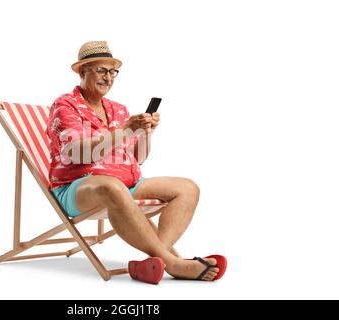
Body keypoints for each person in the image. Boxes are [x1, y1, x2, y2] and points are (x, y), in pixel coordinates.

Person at [47, 41, 225, 282]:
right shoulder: (65, 105)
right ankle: (174, 264)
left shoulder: (118, 109)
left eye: (112, 72)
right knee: (111, 185)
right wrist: (125, 130)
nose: (108, 77)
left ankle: (156, 262)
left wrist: (144, 132)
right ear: (82, 71)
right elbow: (78, 154)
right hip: (78, 186)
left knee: (187, 188)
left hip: (127, 183)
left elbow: (138, 158)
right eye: (101, 70)